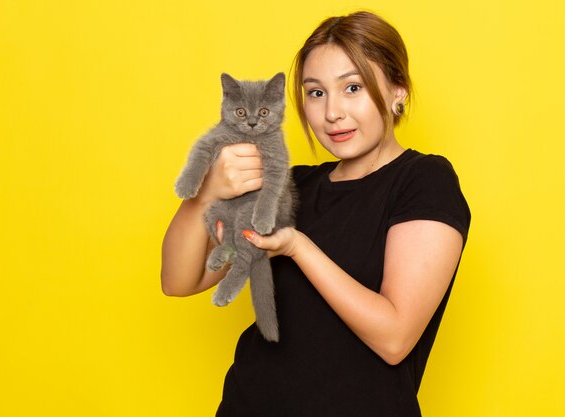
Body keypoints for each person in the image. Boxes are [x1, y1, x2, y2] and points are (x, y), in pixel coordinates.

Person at [161, 10, 470, 417]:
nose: (332, 113)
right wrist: (203, 196)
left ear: (398, 90)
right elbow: (180, 280)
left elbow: (395, 338)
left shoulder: (424, 180)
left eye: (353, 87)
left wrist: (296, 247)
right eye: (316, 92)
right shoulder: (292, 187)